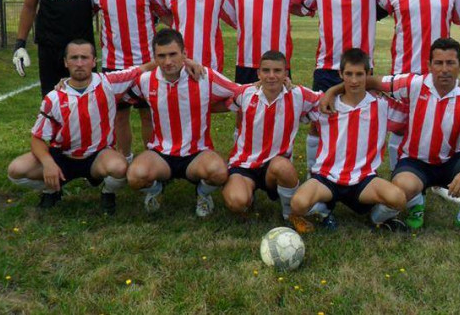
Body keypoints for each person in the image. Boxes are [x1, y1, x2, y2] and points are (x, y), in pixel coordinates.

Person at [331, 38, 460, 239]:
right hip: (414, 161)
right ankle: (416, 205)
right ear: (429, 65)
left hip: (451, 161)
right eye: (438, 63)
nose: (444, 69)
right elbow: (370, 81)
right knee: (403, 187)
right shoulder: (414, 84)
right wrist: (332, 92)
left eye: (450, 63)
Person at [7, 39, 156, 215]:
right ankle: (51, 189)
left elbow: (144, 68)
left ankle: (108, 193)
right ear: (65, 62)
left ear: (93, 61)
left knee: (120, 167)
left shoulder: (109, 83)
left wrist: (182, 60)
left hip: (97, 156)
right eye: (74, 58)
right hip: (62, 156)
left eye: (84, 58)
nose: (79, 63)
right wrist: (48, 164)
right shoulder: (54, 97)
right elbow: (37, 138)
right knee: (16, 170)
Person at [381, 0, 460, 204]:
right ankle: (402, 182)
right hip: (404, 71)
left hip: (439, 74)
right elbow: (377, 11)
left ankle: (439, 181)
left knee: (442, 127)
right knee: (399, 129)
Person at [289, 48, 409, 233]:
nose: (354, 80)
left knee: (398, 199)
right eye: (349, 74)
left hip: (363, 179)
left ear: (368, 74)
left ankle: (376, 218)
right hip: (327, 176)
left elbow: (413, 109)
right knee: (298, 204)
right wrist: (283, 83)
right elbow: (293, 94)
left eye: (359, 74)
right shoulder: (324, 103)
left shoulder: (382, 106)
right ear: (340, 74)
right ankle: (324, 212)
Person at [301, 0, 390, 180]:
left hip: (361, 68)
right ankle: (313, 172)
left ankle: (360, 171)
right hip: (327, 65)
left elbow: (394, 1)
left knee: (362, 121)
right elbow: (304, 6)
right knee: (319, 122)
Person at [126, 28, 237, 216]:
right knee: (135, 176)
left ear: (184, 53)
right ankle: (156, 190)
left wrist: (276, 84)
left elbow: (241, 93)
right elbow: (115, 91)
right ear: (154, 58)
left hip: (197, 153)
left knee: (219, 172)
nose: (168, 62)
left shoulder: (204, 76)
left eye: (173, 54)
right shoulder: (145, 81)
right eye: (161, 56)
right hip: (161, 154)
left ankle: (202, 194)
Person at [221, 50, 321, 233]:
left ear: (285, 73)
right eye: (266, 71)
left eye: (277, 71)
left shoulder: (298, 95)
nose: (271, 76)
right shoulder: (245, 92)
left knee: (283, 167)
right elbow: (227, 101)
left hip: (274, 168)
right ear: (258, 73)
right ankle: (247, 197)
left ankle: (290, 213)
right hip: (244, 165)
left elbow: (326, 100)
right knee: (236, 202)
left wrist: (336, 90)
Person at [90, 0, 169, 165]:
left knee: (149, 114)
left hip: (147, 61)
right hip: (113, 63)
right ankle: (124, 159)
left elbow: (164, 14)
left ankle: (153, 160)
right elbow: (90, 12)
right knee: (119, 116)